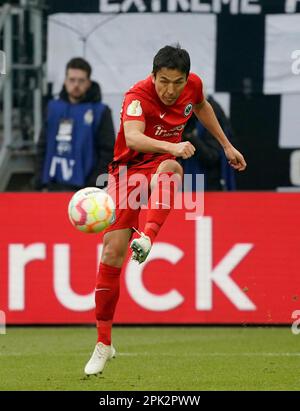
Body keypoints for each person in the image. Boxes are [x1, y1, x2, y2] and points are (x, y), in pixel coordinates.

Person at [84, 45, 246, 376]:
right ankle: (103, 343)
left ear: (186, 78)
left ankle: (148, 237)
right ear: (153, 74)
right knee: (112, 255)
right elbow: (132, 137)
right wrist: (173, 144)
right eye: (163, 81)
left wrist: (226, 146)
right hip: (126, 172)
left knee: (172, 168)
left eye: (176, 82)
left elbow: (202, 107)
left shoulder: (193, 86)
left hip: (162, 162)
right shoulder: (137, 95)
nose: (170, 90)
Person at [35, 57, 115, 191]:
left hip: (86, 188)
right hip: (52, 186)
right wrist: (39, 181)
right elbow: (42, 146)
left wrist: (93, 186)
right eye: (72, 80)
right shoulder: (53, 108)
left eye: (81, 80)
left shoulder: (100, 111)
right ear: (65, 81)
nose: (76, 85)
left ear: (88, 83)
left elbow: (108, 153)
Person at [182, 96, 236, 191]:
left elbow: (212, 156)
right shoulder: (184, 112)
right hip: (189, 178)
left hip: (207, 180)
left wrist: (190, 138)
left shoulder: (212, 112)